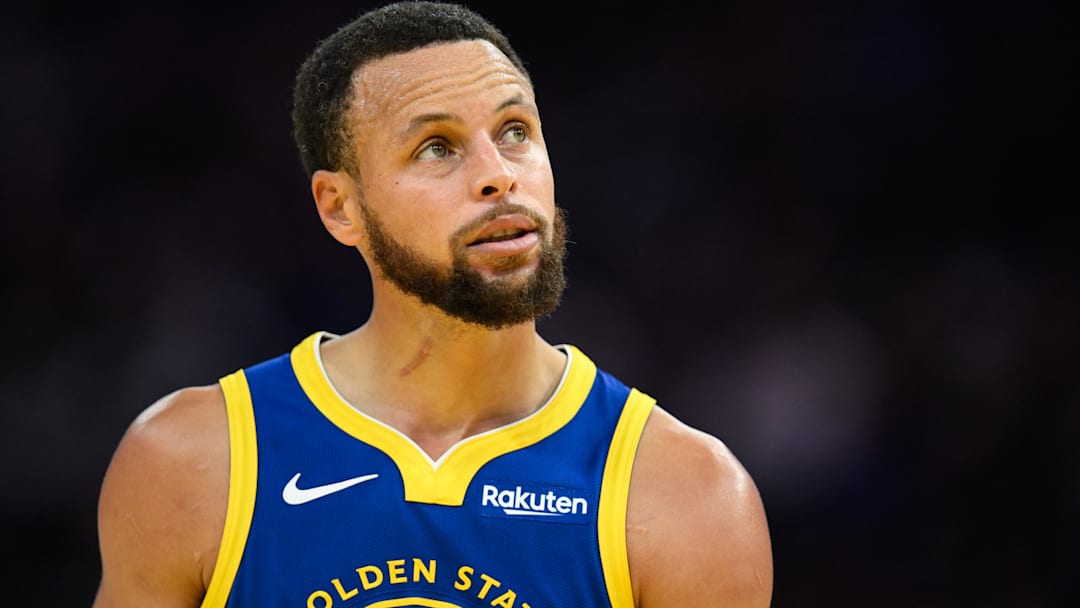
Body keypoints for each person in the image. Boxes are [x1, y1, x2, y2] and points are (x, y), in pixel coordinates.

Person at [92, 2, 773, 606]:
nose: (498, 175)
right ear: (341, 208)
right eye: (437, 147)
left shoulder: (687, 499)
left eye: (515, 132)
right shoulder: (192, 462)